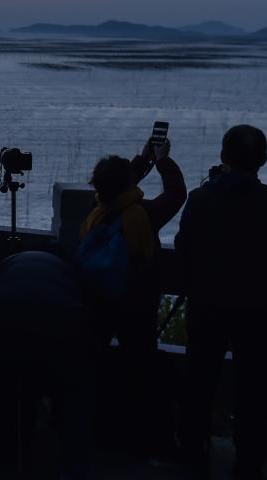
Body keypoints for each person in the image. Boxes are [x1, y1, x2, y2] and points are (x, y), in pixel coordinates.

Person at [79, 138, 186, 457]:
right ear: (127, 184)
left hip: (98, 301)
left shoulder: (95, 213)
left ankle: (96, 431)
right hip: (136, 305)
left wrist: (141, 161)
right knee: (141, 367)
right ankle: (143, 438)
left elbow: (117, 188)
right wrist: (162, 161)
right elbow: (176, 194)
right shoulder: (143, 215)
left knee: (94, 365)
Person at [175, 125, 267, 479]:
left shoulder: (201, 200)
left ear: (222, 157)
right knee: (255, 389)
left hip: (207, 305)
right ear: (263, 160)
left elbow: (184, 248)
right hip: (259, 310)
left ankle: (191, 453)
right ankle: (249, 462)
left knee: (198, 382)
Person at [0, 251, 93, 479]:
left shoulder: (9, 263)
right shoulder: (67, 272)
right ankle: (73, 465)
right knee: (73, 390)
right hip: (59, 319)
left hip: (1, 314)